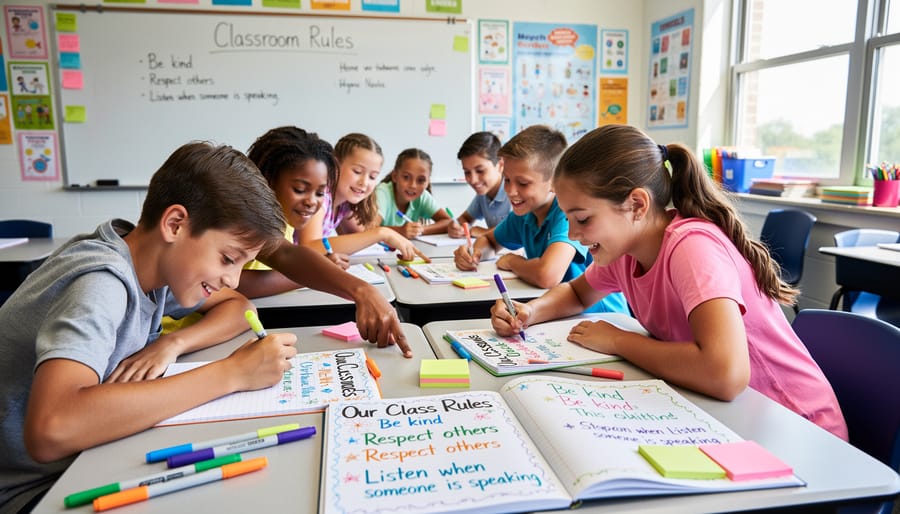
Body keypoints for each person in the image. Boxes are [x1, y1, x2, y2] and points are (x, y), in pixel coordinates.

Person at [490, 124, 848, 440]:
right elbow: (577, 292)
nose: (572, 232)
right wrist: (528, 312)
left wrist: (618, 340)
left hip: (795, 427)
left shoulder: (691, 248)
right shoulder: (626, 248)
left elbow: (725, 374)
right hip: (725, 416)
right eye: (568, 218)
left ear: (636, 205)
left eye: (582, 218)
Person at [0, 142, 299, 512]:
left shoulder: (150, 267)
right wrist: (231, 374)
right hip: (32, 492)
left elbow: (238, 308)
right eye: (227, 258)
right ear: (175, 224)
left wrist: (172, 345)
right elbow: (51, 428)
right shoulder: (102, 284)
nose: (234, 280)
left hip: (85, 460)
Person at [454, 125, 628, 314]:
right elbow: (489, 240)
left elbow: (548, 275)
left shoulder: (566, 214)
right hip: (560, 313)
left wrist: (512, 261)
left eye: (523, 183)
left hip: (600, 316)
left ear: (554, 182)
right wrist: (475, 254)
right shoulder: (524, 214)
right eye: (507, 180)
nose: (511, 191)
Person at [237, 126, 350, 299]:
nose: (312, 201)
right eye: (299, 189)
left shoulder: (285, 221)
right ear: (268, 180)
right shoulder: (249, 220)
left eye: (320, 193)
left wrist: (321, 267)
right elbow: (237, 284)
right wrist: (313, 274)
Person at [297, 132, 428, 262]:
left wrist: (388, 238)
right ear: (335, 165)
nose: (364, 182)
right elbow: (309, 247)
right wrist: (382, 233)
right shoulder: (320, 196)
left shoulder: (344, 203)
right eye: (357, 171)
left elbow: (361, 235)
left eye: (372, 177)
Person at [375, 148, 452, 239]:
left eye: (421, 180)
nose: (413, 185)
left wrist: (421, 230)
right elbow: (370, 228)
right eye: (406, 177)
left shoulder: (422, 196)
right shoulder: (382, 193)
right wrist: (400, 231)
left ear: (427, 182)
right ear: (395, 176)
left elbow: (448, 222)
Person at [447, 131, 510, 239]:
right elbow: (464, 219)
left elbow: (516, 232)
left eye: (480, 171)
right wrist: (456, 226)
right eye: (467, 172)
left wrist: (483, 232)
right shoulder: (483, 194)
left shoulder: (515, 192)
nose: (473, 180)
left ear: (500, 165)